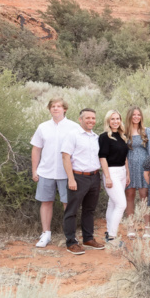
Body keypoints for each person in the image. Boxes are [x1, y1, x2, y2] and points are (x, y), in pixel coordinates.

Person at [30, 97, 81, 247]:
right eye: (53, 106)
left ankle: (70, 237)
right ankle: (46, 234)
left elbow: (79, 150)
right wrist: (35, 170)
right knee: (46, 202)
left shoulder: (74, 127)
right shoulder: (43, 127)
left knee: (68, 203)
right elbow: (36, 149)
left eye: (59, 106)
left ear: (64, 109)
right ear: (49, 109)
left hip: (66, 173)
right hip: (46, 171)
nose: (55, 108)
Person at [61, 108, 103, 255]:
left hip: (94, 177)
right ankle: (71, 242)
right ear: (80, 119)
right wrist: (71, 178)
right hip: (78, 177)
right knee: (72, 210)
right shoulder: (73, 135)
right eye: (87, 118)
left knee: (89, 210)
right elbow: (65, 157)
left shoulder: (96, 137)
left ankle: (88, 238)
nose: (91, 120)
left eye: (93, 118)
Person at [98, 110, 130, 243]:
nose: (115, 121)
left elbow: (125, 157)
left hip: (122, 171)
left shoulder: (122, 136)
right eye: (112, 119)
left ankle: (108, 231)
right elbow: (102, 157)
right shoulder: (104, 137)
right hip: (111, 172)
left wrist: (127, 174)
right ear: (108, 121)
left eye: (117, 118)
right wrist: (107, 177)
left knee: (113, 203)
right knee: (122, 204)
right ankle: (112, 237)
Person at [124, 107, 150, 225]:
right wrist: (126, 171)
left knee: (144, 196)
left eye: (138, 114)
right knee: (130, 195)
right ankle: (131, 226)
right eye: (134, 115)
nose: (136, 117)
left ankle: (147, 226)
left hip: (144, 167)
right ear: (129, 116)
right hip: (129, 166)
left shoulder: (147, 131)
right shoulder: (124, 132)